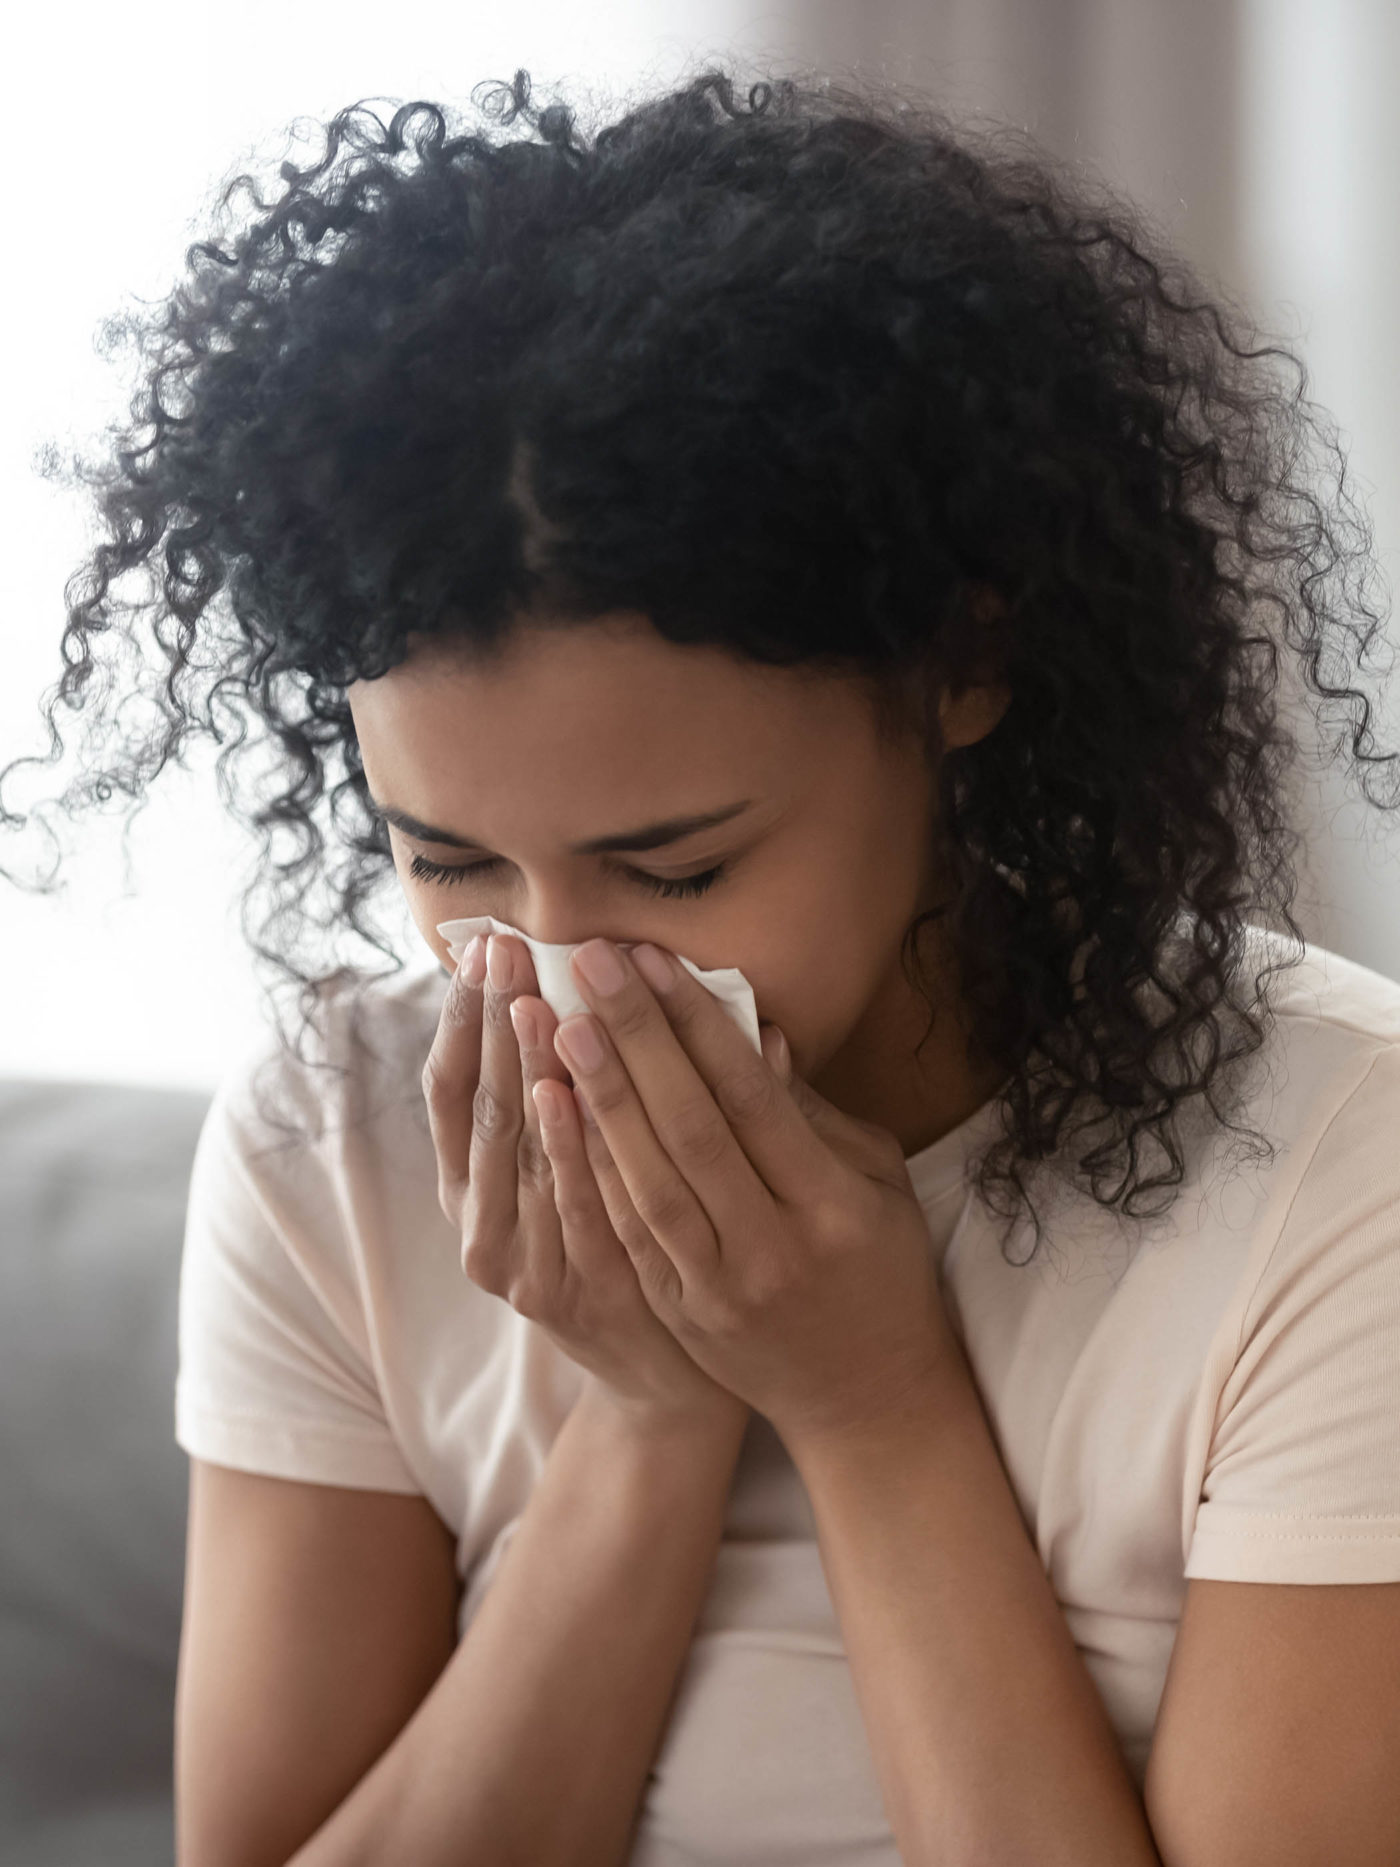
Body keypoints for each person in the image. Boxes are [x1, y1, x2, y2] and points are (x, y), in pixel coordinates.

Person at [8, 61, 1400, 1867]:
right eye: (447, 860)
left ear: (961, 669)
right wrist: (649, 1420)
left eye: (675, 866)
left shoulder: (1336, 1160)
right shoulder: (328, 1142)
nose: (560, 968)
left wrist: (877, 1406)